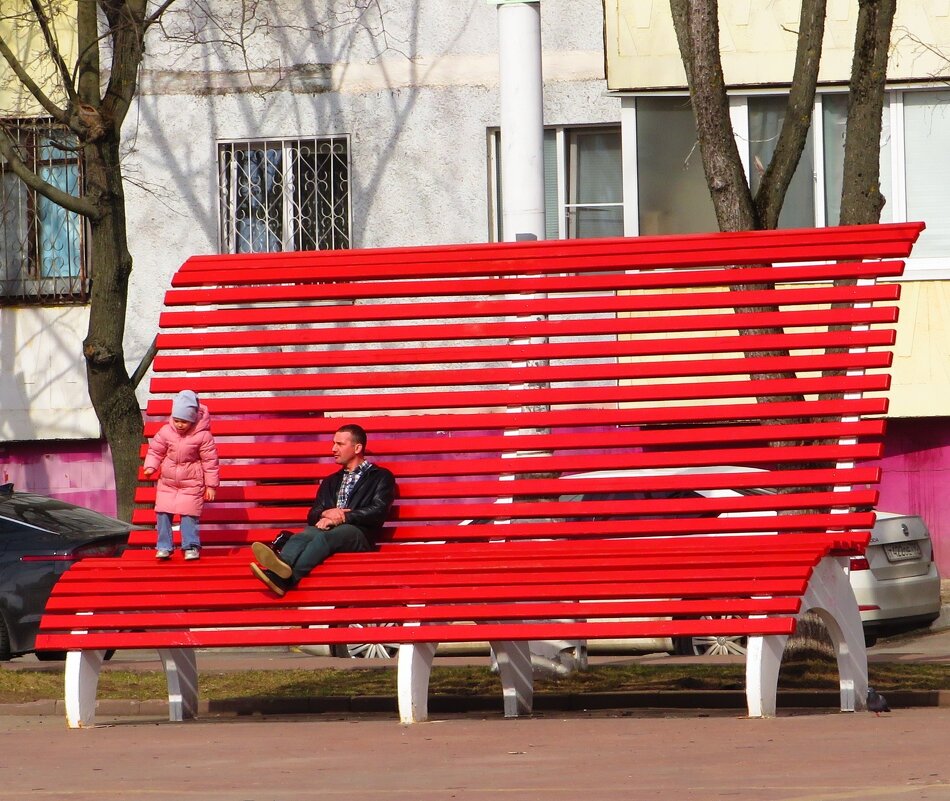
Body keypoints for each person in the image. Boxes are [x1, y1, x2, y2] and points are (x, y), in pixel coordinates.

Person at [250, 423, 396, 596]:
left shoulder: (380, 476)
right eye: (334, 443)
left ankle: (289, 579)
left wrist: (343, 517)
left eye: (340, 444)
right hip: (329, 529)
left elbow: (379, 510)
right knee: (303, 535)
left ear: (357, 448)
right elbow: (313, 514)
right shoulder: (331, 481)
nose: (333, 449)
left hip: (360, 533)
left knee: (324, 538)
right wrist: (325, 513)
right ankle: (280, 567)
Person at [143, 389, 220, 561]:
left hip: (191, 483)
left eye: (184, 421)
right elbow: (156, 450)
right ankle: (164, 546)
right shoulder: (166, 431)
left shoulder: (203, 436)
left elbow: (210, 461)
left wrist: (211, 486)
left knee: (189, 515)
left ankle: (191, 546)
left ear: (192, 419)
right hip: (168, 482)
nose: (179, 425)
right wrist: (151, 466)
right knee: (162, 514)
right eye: (176, 420)